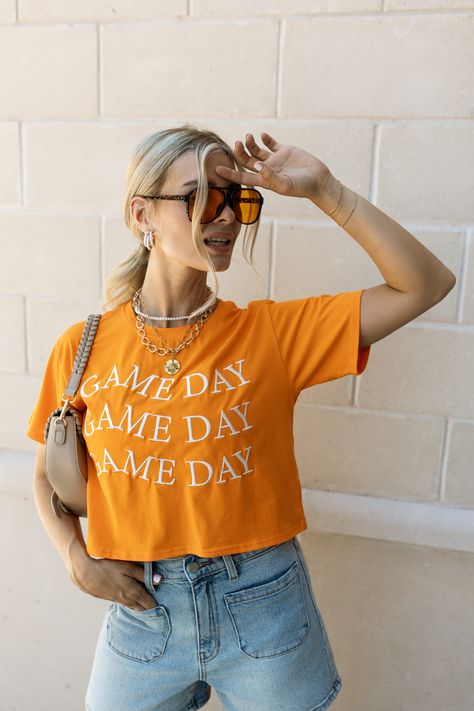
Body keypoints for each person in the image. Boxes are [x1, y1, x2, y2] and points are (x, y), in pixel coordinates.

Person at [27, 125, 455, 711]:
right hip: (141, 616)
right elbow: (47, 473)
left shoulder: (270, 335)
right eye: (201, 196)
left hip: (264, 610)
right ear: (141, 214)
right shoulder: (84, 345)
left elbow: (425, 284)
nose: (226, 216)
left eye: (237, 199)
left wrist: (324, 189)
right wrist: (75, 559)